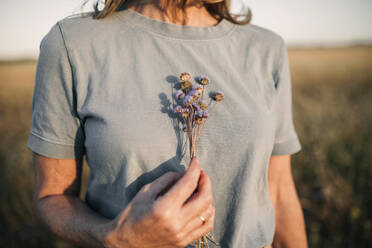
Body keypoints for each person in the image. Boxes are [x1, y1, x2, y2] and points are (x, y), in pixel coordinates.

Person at [27, 0, 308, 247]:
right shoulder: (72, 43)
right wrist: (113, 238)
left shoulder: (266, 49)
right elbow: (52, 196)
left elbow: (279, 191)